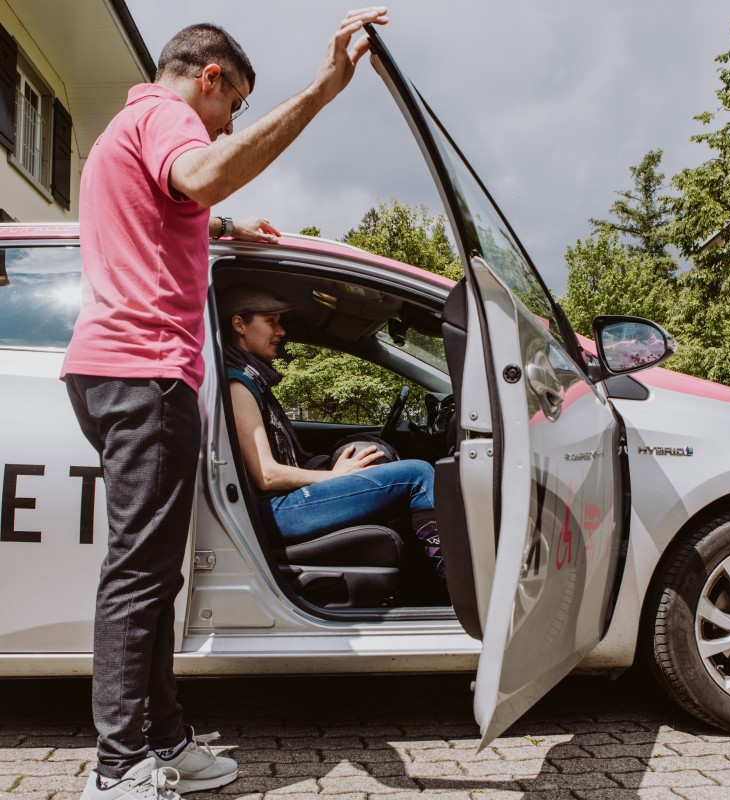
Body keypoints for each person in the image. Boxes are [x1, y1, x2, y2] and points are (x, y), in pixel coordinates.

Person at [61, 9, 389, 800]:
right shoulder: (168, 116)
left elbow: (176, 204)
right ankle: (117, 770)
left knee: (156, 575)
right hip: (143, 375)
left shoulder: (125, 132)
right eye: (234, 106)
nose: (228, 124)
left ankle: (165, 741)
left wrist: (228, 226)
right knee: (139, 576)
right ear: (211, 79)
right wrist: (322, 91)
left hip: (121, 373)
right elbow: (202, 172)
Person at [221, 284, 445, 571]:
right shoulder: (238, 383)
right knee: (418, 475)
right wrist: (333, 475)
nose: (281, 331)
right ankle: (455, 583)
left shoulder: (251, 378)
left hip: (278, 506)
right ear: (239, 324)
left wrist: (328, 466)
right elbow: (266, 475)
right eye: (271, 322)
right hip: (276, 511)